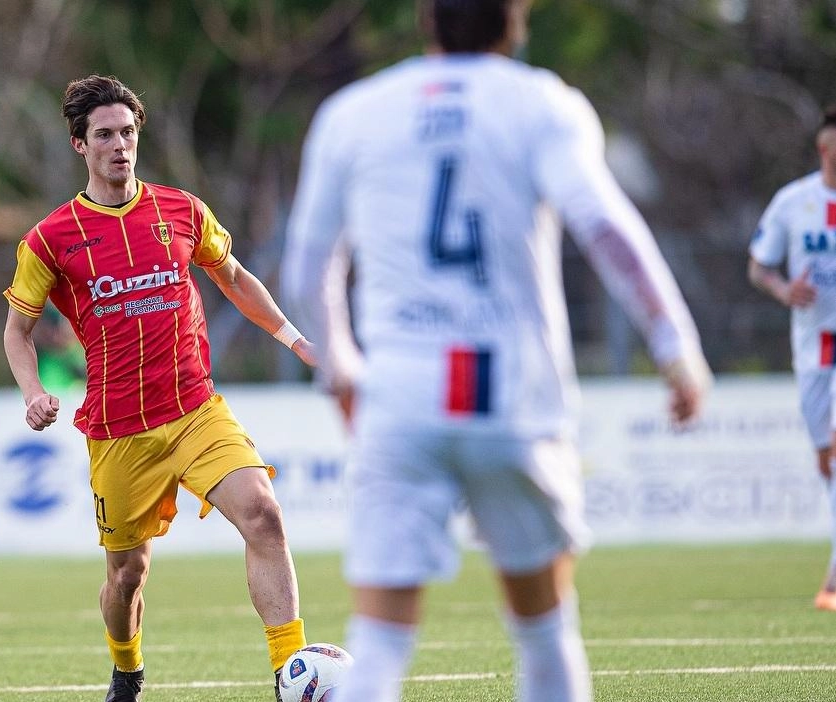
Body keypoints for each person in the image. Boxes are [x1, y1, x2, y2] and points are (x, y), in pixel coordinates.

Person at [281, 1, 712, 700]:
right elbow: (605, 227)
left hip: (400, 391)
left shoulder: (353, 112)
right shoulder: (542, 104)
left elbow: (306, 265)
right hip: (510, 390)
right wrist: (674, 344)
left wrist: (340, 365)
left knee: (380, 640)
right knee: (543, 628)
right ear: (514, 20)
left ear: (425, 20)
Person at [2, 74, 315, 702]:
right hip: (119, 431)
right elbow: (18, 330)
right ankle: (126, 668)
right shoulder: (50, 239)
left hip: (195, 410)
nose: (119, 145)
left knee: (264, 514)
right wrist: (33, 391)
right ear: (78, 145)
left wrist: (298, 341)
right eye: (104, 135)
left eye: (128, 132)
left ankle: (291, 670)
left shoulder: (181, 209)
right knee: (127, 577)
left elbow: (234, 277)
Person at [748, 108, 836, 612]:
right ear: (824, 151)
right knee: (828, 462)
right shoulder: (794, 203)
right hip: (814, 349)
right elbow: (758, 267)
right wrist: (785, 289)